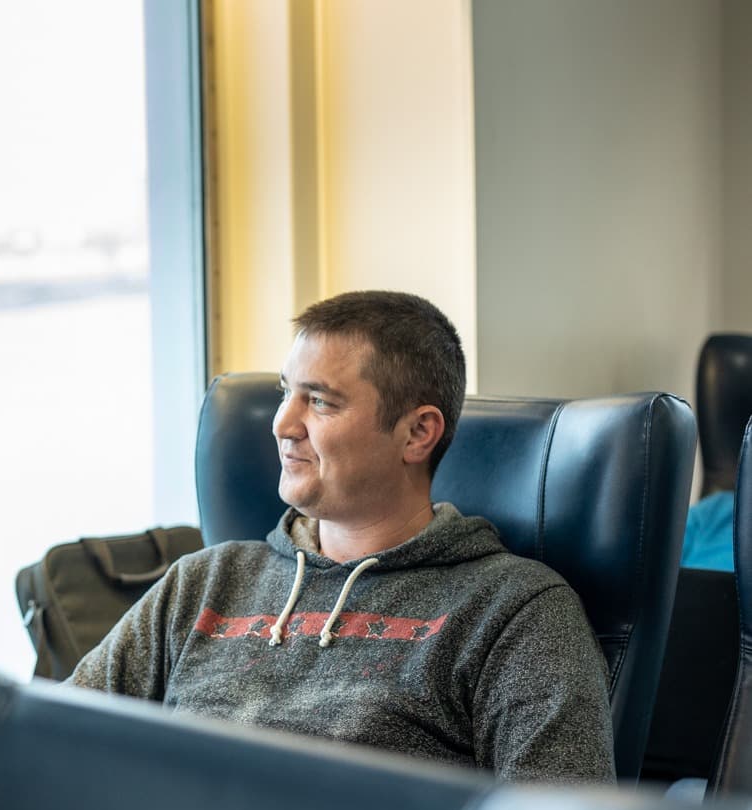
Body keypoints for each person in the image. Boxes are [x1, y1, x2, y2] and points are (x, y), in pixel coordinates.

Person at [67, 290, 614, 782]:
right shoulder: (201, 583)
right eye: (286, 392)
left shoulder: (515, 613)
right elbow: (54, 752)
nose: (282, 424)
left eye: (320, 401)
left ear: (417, 433)